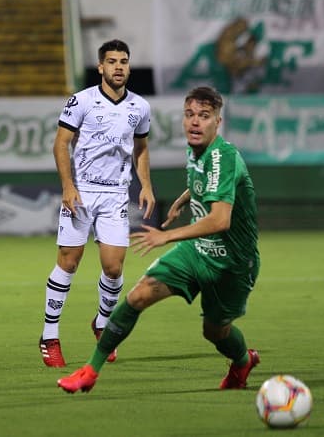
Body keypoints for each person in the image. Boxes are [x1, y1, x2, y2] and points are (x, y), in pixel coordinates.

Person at [57, 85, 261, 391]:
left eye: (204, 116)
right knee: (138, 296)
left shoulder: (224, 156)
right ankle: (89, 371)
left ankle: (243, 361)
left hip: (233, 263)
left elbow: (220, 220)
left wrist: (167, 236)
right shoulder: (198, 152)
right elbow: (207, 181)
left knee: (215, 332)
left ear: (217, 122)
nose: (195, 122)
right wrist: (183, 199)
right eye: (190, 114)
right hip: (197, 253)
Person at [38, 39, 155, 367]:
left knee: (114, 267)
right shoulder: (82, 101)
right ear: (100, 67)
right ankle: (49, 335)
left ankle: (102, 323)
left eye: (124, 61)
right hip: (82, 192)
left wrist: (145, 184)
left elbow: (141, 148)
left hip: (116, 194)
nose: (119, 66)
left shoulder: (140, 108)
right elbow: (61, 144)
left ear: (129, 67)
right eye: (112, 61)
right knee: (69, 261)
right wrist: (68, 186)